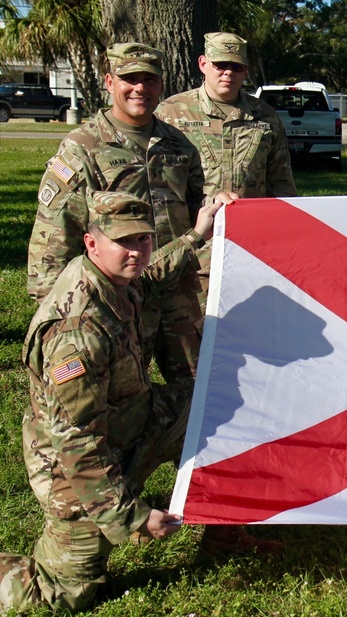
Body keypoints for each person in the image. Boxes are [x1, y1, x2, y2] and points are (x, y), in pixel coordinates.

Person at [0, 191, 223, 613]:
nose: (137, 252)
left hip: (132, 419)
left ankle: (227, 526)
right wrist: (134, 518)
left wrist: (196, 234)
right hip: (77, 474)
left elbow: (150, 275)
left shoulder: (112, 276)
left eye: (144, 239)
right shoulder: (77, 333)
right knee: (60, 595)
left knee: (213, 407)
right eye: (124, 242)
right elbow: (77, 444)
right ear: (91, 243)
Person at [27, 42, 223, 388]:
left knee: (200, 389)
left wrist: (220, 204)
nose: (140, 89)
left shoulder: (178, 145)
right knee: (118, 395)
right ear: (109, 82)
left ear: (161, 84)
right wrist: (54, 310)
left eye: (149, 80)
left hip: (174, 290)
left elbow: (196, 208)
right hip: (115, 294)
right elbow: (55, 233)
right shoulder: (83, 147)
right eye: (129, 79)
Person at [156, 31, 296, 307]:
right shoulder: (171, 113)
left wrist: (289, 239)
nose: (227, 73)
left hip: (251, 250)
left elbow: (281, 181)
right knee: (190, 341)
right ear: (203, 64)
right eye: (220, 65)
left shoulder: (264, 116)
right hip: (194, 251)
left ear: (246, 71)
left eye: (236, 67)